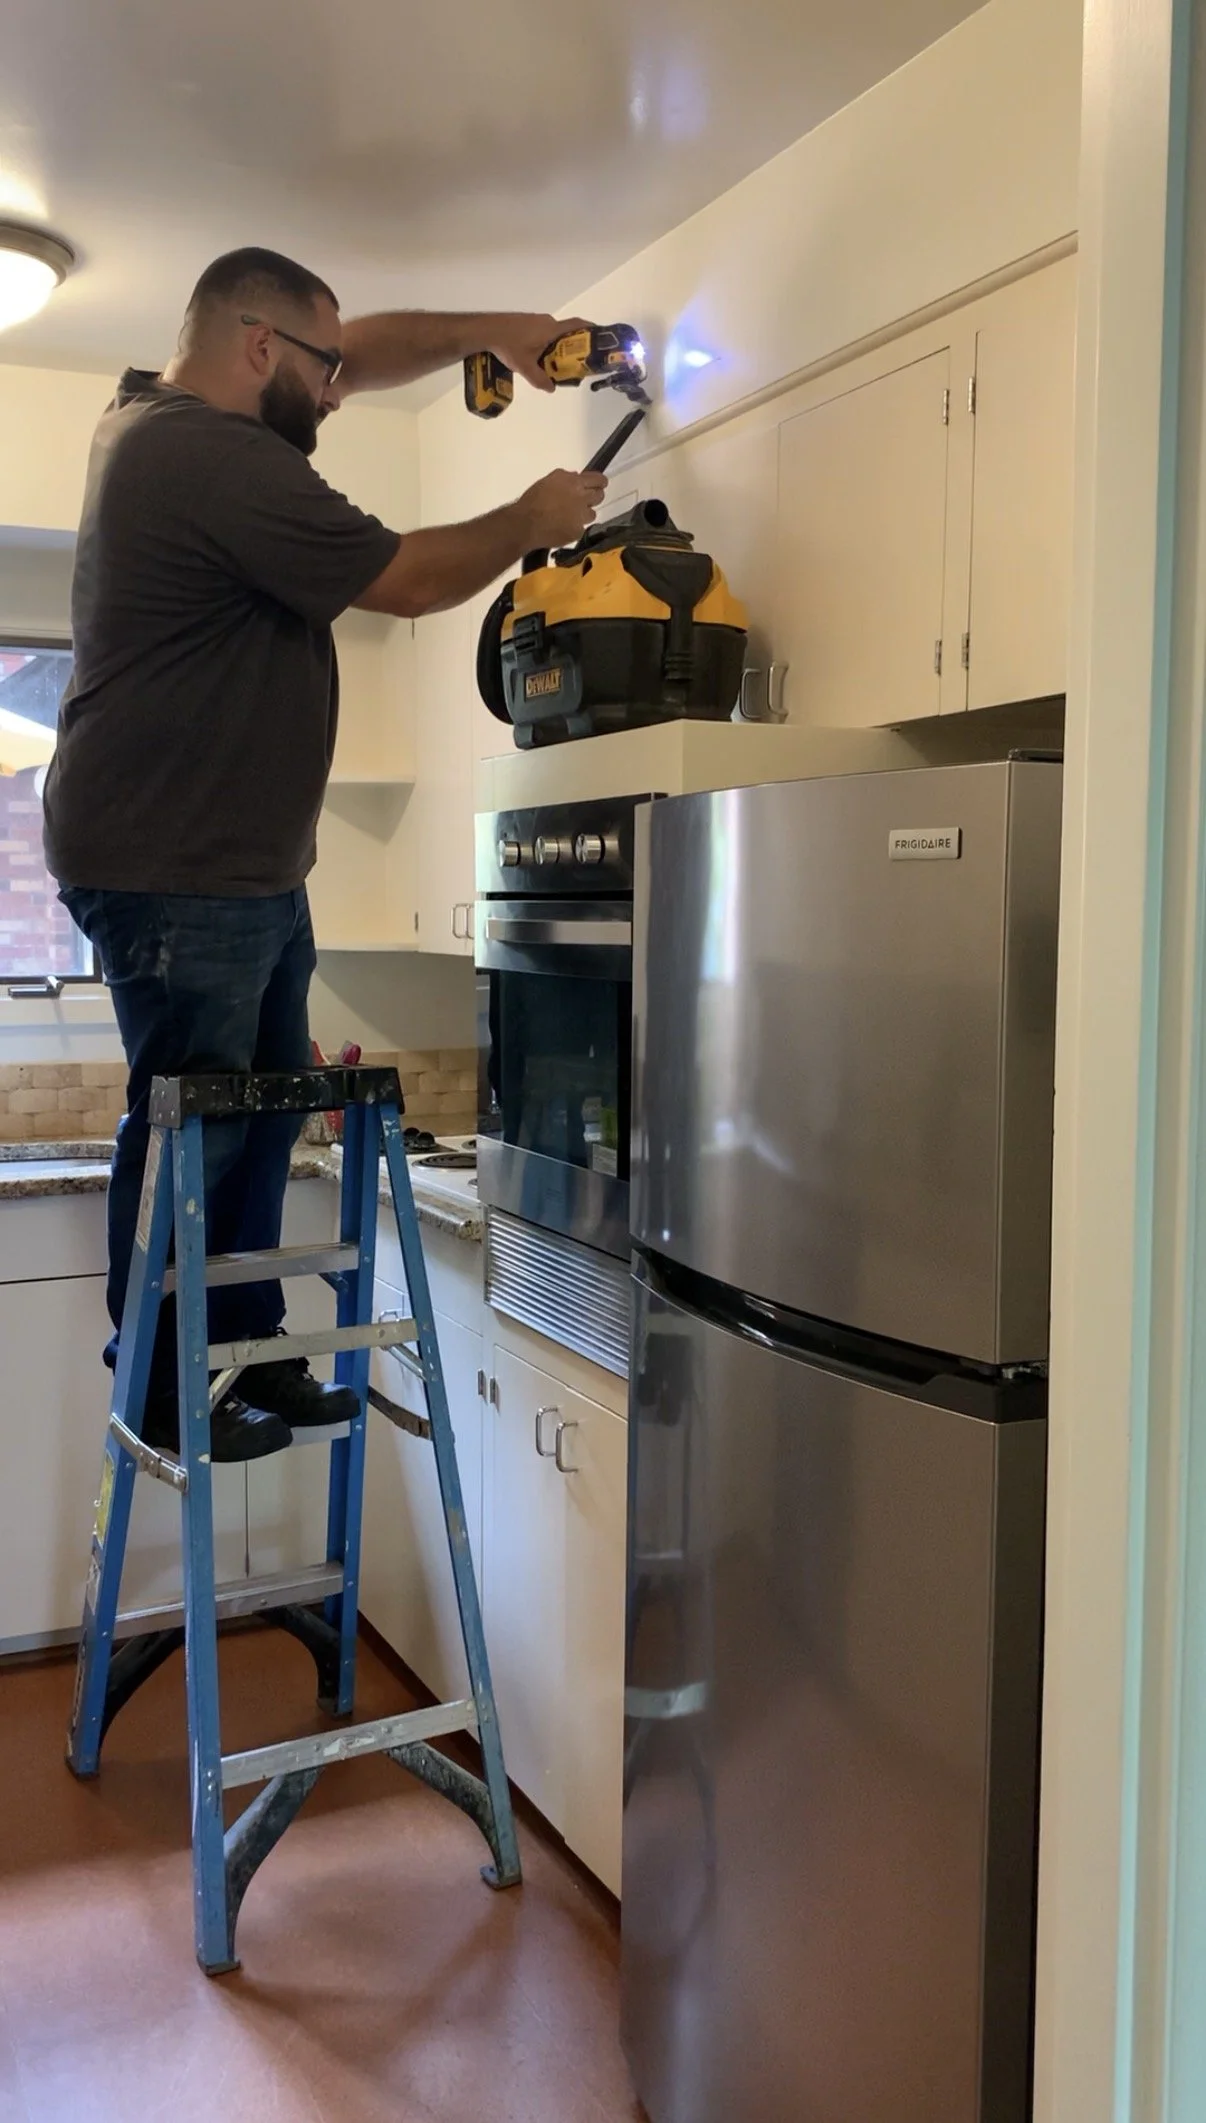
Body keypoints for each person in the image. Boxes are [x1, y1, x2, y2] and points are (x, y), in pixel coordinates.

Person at [42, 246, 608, 1463]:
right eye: (324, 371)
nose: (339, 392)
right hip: (177, 865)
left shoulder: (167, 419)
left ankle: (245, 1349)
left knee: (261, 1111)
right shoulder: (205, 454)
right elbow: (405, 579)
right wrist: (531, 518)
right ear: (260, 347)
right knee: (196, 1122)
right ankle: (162, 1380)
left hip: (236, 864)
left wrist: (494, 329)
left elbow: (351, 343)